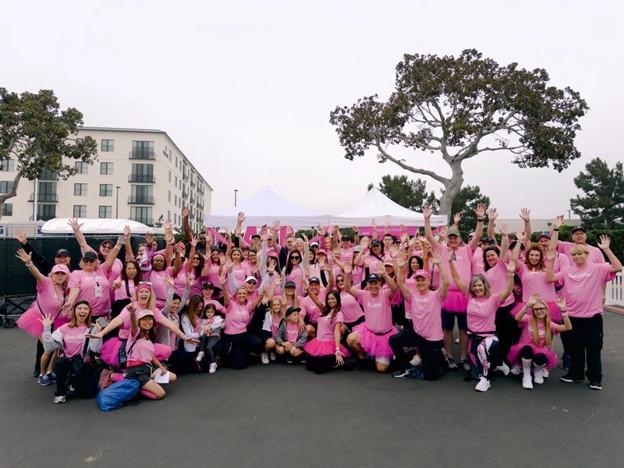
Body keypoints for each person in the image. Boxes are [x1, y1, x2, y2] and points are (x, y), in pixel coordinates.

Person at [546, 235, 622, 390]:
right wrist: (552, 260)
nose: (577, 256)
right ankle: (576, 374)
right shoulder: (568, 270)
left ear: (587, 254)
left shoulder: (598, 268)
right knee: (575, 348)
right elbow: (550, 277)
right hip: (572, 316)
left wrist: (607, 250)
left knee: (593, 348)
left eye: (580, 253)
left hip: (592, 317)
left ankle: (595, 379)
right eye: (574, 254)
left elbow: (617, 267)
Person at [423, 204, 486, 371]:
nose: (452, 240)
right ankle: (449, 356)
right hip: (447, 295)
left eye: (455, 237)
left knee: (465, 329)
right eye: (450, 237)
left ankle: (464, 357)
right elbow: (429, 237)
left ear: (459, 238)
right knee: (447, 328)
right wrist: (427, 219)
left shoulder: (467, 250)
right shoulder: (442, 250)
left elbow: (478, 236)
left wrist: (480, 219)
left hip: (465, 295)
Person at [450, 256, 516, 392]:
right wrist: (450, 262)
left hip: (489, 338)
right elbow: (457, 279)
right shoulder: (470, 297)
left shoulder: (493, 298)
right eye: (474, 285)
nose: (477, 287)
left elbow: (508, 290)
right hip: (473, 337)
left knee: (482, 351)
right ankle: (498, 362)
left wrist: (510, 274)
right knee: (475, 373)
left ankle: (486, 380)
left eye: (480, 284)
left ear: (484, 285)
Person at [15, 249, 70, 385]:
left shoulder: (65, 290)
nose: (59, 276)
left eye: (63, 273)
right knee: (48, 347)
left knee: (57, 348)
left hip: (57, 321)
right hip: (40, 320)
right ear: (51, 274)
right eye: (57, 273)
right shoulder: (45, 282)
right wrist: (29, 263)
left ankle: (51, 372)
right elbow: (37, 274)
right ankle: (42, 374)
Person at [390, 256, 448, 381]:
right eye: (418, 280)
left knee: (432, 376)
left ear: (428, 281)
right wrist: (400, 268)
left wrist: (440, 265)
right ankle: (405, 367)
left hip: (432, 339)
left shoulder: (436, 296)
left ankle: (440, 357)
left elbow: (446, 282)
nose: (420, 282)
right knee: (394, 340)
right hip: (417, 336)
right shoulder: (412, 296)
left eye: (423, 280)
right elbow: (400, 283)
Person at [41, 301, 102, 404]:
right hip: (67, 362)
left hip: (84, 363)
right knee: (61, 364)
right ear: (74, 311)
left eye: (85, 309)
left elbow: (96, 349)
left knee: (89, 394)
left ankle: (73, 382)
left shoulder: (93, 328)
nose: (82, 311)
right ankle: (61, 392)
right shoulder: (64, 328)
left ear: (89, 312)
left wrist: (98, 334)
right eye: (79, 308)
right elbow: (49, 347)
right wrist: (46, 329)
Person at [508, 294, 572, 390]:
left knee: (541, 358)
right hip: (525, 351)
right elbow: (517, 317)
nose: (539, 311)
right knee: (527, 348)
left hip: (541, 352)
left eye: (541, 308)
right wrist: (528, 305)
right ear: (533, 311)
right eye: (536, 309)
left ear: (546, 310)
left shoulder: (549, 323)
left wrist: (564, 311)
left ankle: (538, 370)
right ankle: (526, 375)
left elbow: (568, 327)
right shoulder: (528, 319)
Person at [345, 268, 399, 373]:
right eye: (371, 283)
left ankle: (391, 356)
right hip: (368, 333)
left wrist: (385, 275)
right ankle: (362, 358)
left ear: (380, 284)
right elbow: (348, 288)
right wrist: (347, 274)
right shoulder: (364, 294)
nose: (373, 286)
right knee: (350, 339)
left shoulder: (385, 294)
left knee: (381, 369)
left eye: (376, 283)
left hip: (384, 337)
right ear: (367, 285)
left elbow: (394, 288)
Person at [124, 305, 177, 400]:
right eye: (144, 320)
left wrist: (161, 367)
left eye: (149, 319)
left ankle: (146, 384)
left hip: (148, 369)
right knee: (161, 394)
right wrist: (132, 314)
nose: (147, 322)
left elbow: (151, 356)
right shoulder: (135, 334)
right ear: (139, 322)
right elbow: (133, 325)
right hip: (136, 372)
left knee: (173, 377)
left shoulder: (149, 338)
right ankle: (138, 388)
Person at [220, 274, 265, 369]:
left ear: (246, 296)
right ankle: (229, 350)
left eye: (244, 294)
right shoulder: (230, 304)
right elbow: (226, 297)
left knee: (258, 343)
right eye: (239, 293)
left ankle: (244, 351)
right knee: (239, 365)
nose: (242, 295)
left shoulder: (248, 306)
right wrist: (223, 285)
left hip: (243, 335)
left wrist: (270, 281)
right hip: (231, 337)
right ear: (236, 295)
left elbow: (260, 296)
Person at [303, 291, 350, 374]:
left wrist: (337, 349)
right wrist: (307, 289)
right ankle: (332, 361)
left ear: (337, 300)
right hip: (318, 342)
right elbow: (316, 300)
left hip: (329, 344)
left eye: (333, 298)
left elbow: (337, 332)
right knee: (310, 366)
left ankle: (335, 359)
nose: (330, 301)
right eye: (328, 299)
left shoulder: (339, 314)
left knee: (319, 369)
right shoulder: (324, 309)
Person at [195, 304, 225, 373]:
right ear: (205, 312)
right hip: (206, 336)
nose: (210, 314)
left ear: (214, 312)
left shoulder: (217, 318)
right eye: (208, 312)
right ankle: (201, 352)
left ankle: (213, 363)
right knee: (202, 336)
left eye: (211, 312)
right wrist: (204, 329)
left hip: (214, 336)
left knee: (208, 347)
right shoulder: (203, 320)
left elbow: (220, 324)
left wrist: (210, 327)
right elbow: (202, 329)